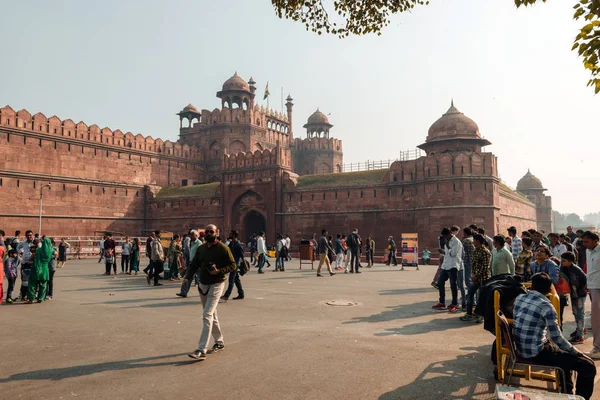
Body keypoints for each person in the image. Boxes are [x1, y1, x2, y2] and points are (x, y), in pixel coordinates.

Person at [513, 272, 596, 399]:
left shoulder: (520, 298)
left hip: (519, 348)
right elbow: (557, 337)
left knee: (564, 355)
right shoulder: (546, 306)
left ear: (532, 286)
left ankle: (566, 392)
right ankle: (580, 398)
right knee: (588, 366)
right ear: (549, 289)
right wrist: (577, 352)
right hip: (536, 352)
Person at [185, 224, 237, 361]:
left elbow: (233, 265)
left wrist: (218, 271)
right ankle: (219, 342)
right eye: (206, 231)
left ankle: (201, 349)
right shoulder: (201, 248)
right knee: (211, 314)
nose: (208, 233)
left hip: (217, 283)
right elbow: (194, 264)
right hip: (203, 284)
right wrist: (187, 278)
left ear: (216, 232)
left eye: (211, 231)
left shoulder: (223, 248)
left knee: (207, 314)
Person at [460, 234, 491, 322]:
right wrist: (473, 275)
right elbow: (474, 265)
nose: (473, 242)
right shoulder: (476, 250)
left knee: (481, 297)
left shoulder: (485, 251)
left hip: (483, 278)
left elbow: (485, 267)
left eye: (474, 240)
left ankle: (481, 315)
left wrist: (476, 276)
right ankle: (469, 313)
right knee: (470, 293)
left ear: (477, 241)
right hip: (476, 278)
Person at [558, 251, 587, 344]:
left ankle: (580, 335)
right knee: (575, 312)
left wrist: (576, 287)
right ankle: (580, 329)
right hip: (574, 294)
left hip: (580, 294)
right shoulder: (563, 268)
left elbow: (584, 279)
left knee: (580, 314)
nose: (561, 262)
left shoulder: (576, 269)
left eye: (564, 260)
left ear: (570, 262)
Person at [432, 227, 463, 313]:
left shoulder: (456, 242)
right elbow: (447, 253)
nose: (445, 238)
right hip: (446, 265)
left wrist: (447, 246)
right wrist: (442, 251)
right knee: (440, 282)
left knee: (453, 285)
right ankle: (442, 302)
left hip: (453, 265)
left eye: (446, 236)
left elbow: (453, 253)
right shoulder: (447, 241)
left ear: (449, 234)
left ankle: (455, 303)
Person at [582, 231, 600, 359]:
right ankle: (598, 346)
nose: (584, 244)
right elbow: (590, 270)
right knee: (596, 318)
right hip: (594, 287)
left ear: (595, 240)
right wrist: (587, 283)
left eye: (586, 241)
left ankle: (598, 348)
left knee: (597, 318)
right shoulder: (588, 252)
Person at [177, 230, 202, 298]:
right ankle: (183, 292)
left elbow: (200, 254)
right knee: (187, 278)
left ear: (196, 236)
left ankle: (205, 291)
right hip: (192, 263)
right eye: (190, 235)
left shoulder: (199, 243)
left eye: (192, 235)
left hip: (197, 263)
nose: (191, 236)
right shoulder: (192, 242)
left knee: (201, 279)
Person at [27, 237, 53, 303]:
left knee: (32, 284)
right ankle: (40, 298)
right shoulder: (51, 250)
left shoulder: (38, 250)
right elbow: (56, 253)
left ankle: (31, 299)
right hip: (45, 268)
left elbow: (32, 258)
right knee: (43, 285)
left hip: (36, 268)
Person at [222, 230, 245, 301]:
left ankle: (227, 295)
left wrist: (245, 265)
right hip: (231, 263)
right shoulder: (231, 243)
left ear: (234, 235)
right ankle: (241, 294)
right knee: (236, 279)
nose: (229, 235)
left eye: (231, 234)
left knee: (231, 279)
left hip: (235, 264)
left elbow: (242, 256)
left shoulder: (238, 244)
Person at [462, 227, 475, 294]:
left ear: (465, 233)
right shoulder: (473, 239)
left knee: (468, 280)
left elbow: (461, 252)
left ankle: (471, 295)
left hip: (467, 261)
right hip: (473, 261)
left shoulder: (466, 241)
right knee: (472, 279)